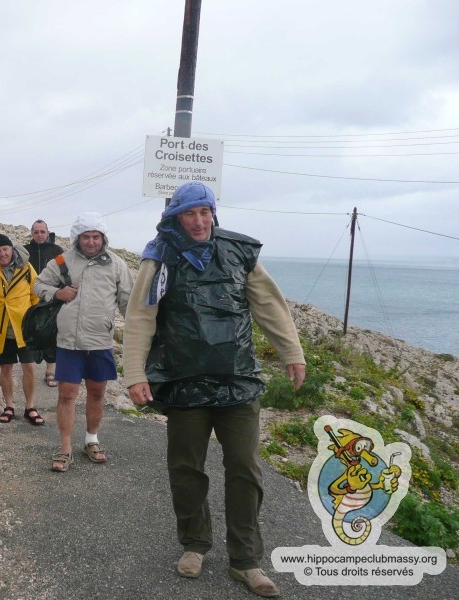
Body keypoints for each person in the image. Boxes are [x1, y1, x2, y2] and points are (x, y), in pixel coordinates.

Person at [122, 182, 306, 598]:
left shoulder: (239, 252)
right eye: (190, 213)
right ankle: (195, 543)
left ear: (213, 213)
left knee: (245, 469)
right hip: (184, 382)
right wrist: (135, 373)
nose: (199, 221)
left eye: (204, 212)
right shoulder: (160, 257)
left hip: (237, 381)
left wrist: (291, 353)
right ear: (176, 218)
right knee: (186, 468)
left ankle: (246, 560)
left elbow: (269, 305)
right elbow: (141, 317)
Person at [34, 212, 133, 472]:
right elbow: (38, 285)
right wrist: (57, 292)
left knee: (97, 393)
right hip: (69, 341)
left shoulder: (117, 264)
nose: (91, 242)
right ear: (77, 238)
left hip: (100, 341)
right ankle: (65, 448)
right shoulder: (62, 260)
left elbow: (128, 303)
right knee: (67, 394)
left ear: (103, 237)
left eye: (96, 237)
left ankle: (92, 440)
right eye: (86, 237)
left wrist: (140, 334)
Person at [0, 233, 45, 426]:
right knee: (6, 368)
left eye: (5, 249)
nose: (2, 253)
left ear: (12, 249)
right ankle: (9, 406)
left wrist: (37, 325)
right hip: (2, 330)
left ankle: (30, 407)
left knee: (29, 367)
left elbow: (36, 296)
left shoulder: (26, 268)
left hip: (25, 329)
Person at [24, 219, 64, 387]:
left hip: (50, 297)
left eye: (42, 232)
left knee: (51, 333)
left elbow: (64, 271)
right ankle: (29, 368)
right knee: (29, 329)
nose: (39, 235)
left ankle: (50, 370)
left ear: (48, 233)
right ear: (32, 233)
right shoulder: (25, 251)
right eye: (36, 232)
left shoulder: (57, 251)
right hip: (28, 296)